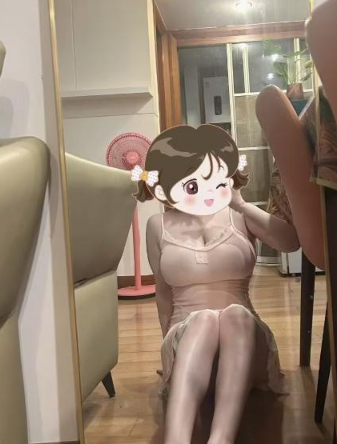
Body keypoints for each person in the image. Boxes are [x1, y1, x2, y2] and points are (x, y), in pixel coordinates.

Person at [133, 124, 300, 444]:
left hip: (245, 344)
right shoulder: (157, 225)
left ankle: (220, 440)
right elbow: (163, 295)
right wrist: (169, 353)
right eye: (192, 182)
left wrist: (242, 205)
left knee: (234, 314)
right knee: (204, 320)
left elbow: (291, 242)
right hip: (188, 339)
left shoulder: (240, 215)